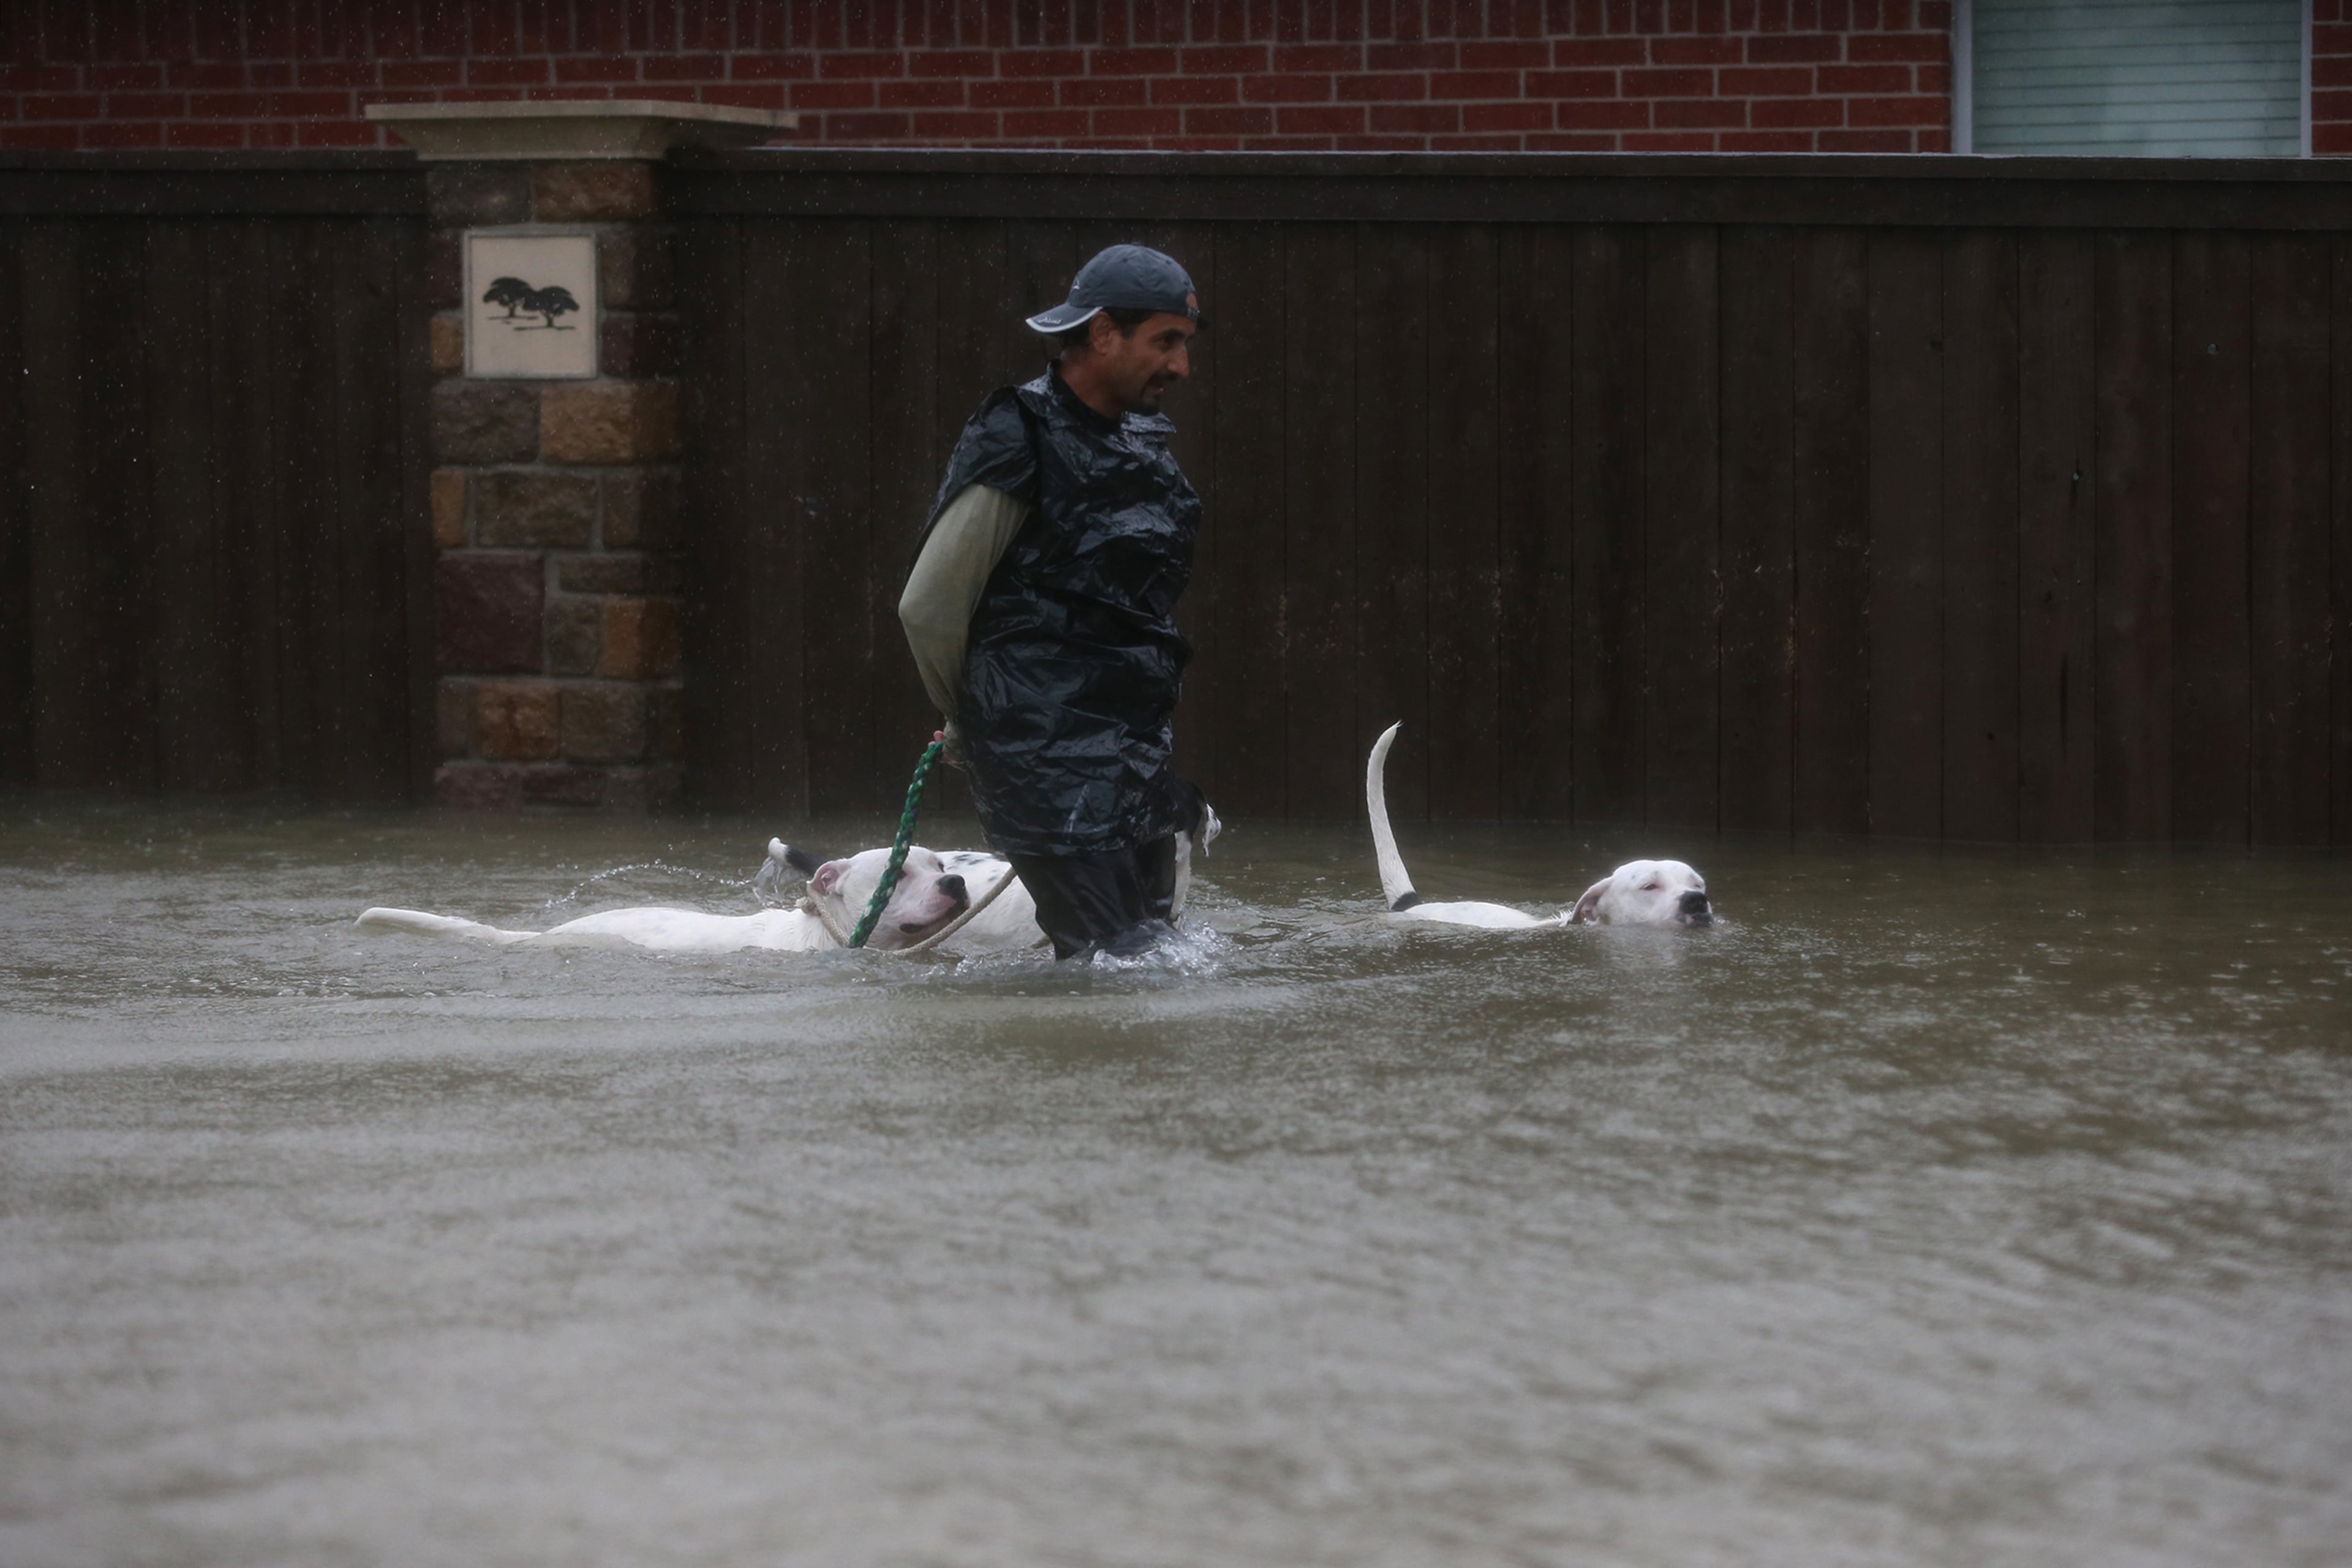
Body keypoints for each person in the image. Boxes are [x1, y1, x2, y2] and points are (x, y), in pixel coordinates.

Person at [898, 244, 1207, 960]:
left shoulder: (1140, 441)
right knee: (1114, 963)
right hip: (1040, 752)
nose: (1181, 366)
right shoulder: (1020, 433)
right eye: (1166, 342)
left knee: (1155, 956)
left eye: (1185, 345)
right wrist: (965, 718)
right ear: (1102, 334)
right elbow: (929, 605)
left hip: (1133, 750)